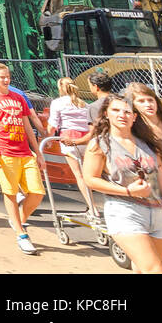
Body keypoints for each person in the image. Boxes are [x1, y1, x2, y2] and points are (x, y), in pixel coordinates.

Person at [82, 94, 162, 274]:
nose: (122, 115)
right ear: (106, 114)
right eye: (115, 110)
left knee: (161, 269)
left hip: (156, 212)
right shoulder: (100, 144)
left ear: (134, 117)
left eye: (127, 112)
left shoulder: (148, 144)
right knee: (155, 270)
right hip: (124, 211)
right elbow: (90, 179)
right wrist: (127, 191)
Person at [0, 62, 46, 255]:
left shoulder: (18, 97)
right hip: (4, 152)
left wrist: (38, 152)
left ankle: (18, 219)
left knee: (37, 193)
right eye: (2, 77)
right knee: (10, 193)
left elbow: (27, 126)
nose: (6, 79)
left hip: (25, 152)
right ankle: (21, 234)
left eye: (8, 76)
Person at [47, 77, 100, 224]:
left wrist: (48, 137)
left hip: (69, 138)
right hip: (86, 140)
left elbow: (52, 124)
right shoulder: (84, 103)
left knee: (79, 175)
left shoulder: (57, 103)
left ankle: (93, 207)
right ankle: (94, 206)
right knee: (90, 173)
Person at [125, 82, 162, 187]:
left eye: (150, 100)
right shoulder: (133, 130)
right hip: (157, 183)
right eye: (141, 101)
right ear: (133, 105)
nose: (148, 104)